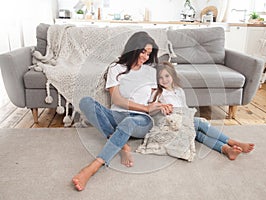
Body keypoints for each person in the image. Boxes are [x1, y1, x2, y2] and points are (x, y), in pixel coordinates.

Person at [72, 32, 172, 191]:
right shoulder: (115, 68)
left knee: (129, 121)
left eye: (149, 53)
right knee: (86, 102)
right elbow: (117, 100)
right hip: (116, 115)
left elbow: (154, 97)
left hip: (141, 120)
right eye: (143, 51)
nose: (146, 57)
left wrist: (161, 105)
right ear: (134, 48)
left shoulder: (150, 72)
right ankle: (122, 144)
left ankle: (93, 167)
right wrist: (145, 107)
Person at [152, 61, 255, 160]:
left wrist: (189, 117)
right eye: (160, 78)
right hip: (171, 124)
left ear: (173, 76)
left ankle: (227, 149)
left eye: (167, 76)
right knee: (201, 123)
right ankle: (233, 142)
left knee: (200, 135)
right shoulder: (158, 93)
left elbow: (185, 107)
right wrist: (160, 107)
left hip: (184, 120)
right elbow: (150, 110)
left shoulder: (179, 91)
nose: (164, 80)